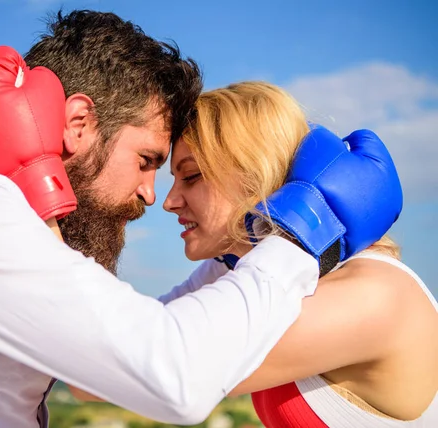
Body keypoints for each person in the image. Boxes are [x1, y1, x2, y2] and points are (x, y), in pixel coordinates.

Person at [0, 11, 401, 428]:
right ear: (79, 123)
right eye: (148, 161)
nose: (152, 196)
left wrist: (243, 237)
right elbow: (171, 374)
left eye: (187, 175)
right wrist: (304, 232)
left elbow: (123, 350)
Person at [157, 81, 437, 426]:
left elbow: (164, 371)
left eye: (191, 176)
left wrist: (297, 223)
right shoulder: (257, 272)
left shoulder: (374, 295)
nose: (169, 201)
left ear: (254, 172)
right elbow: (121, 341)